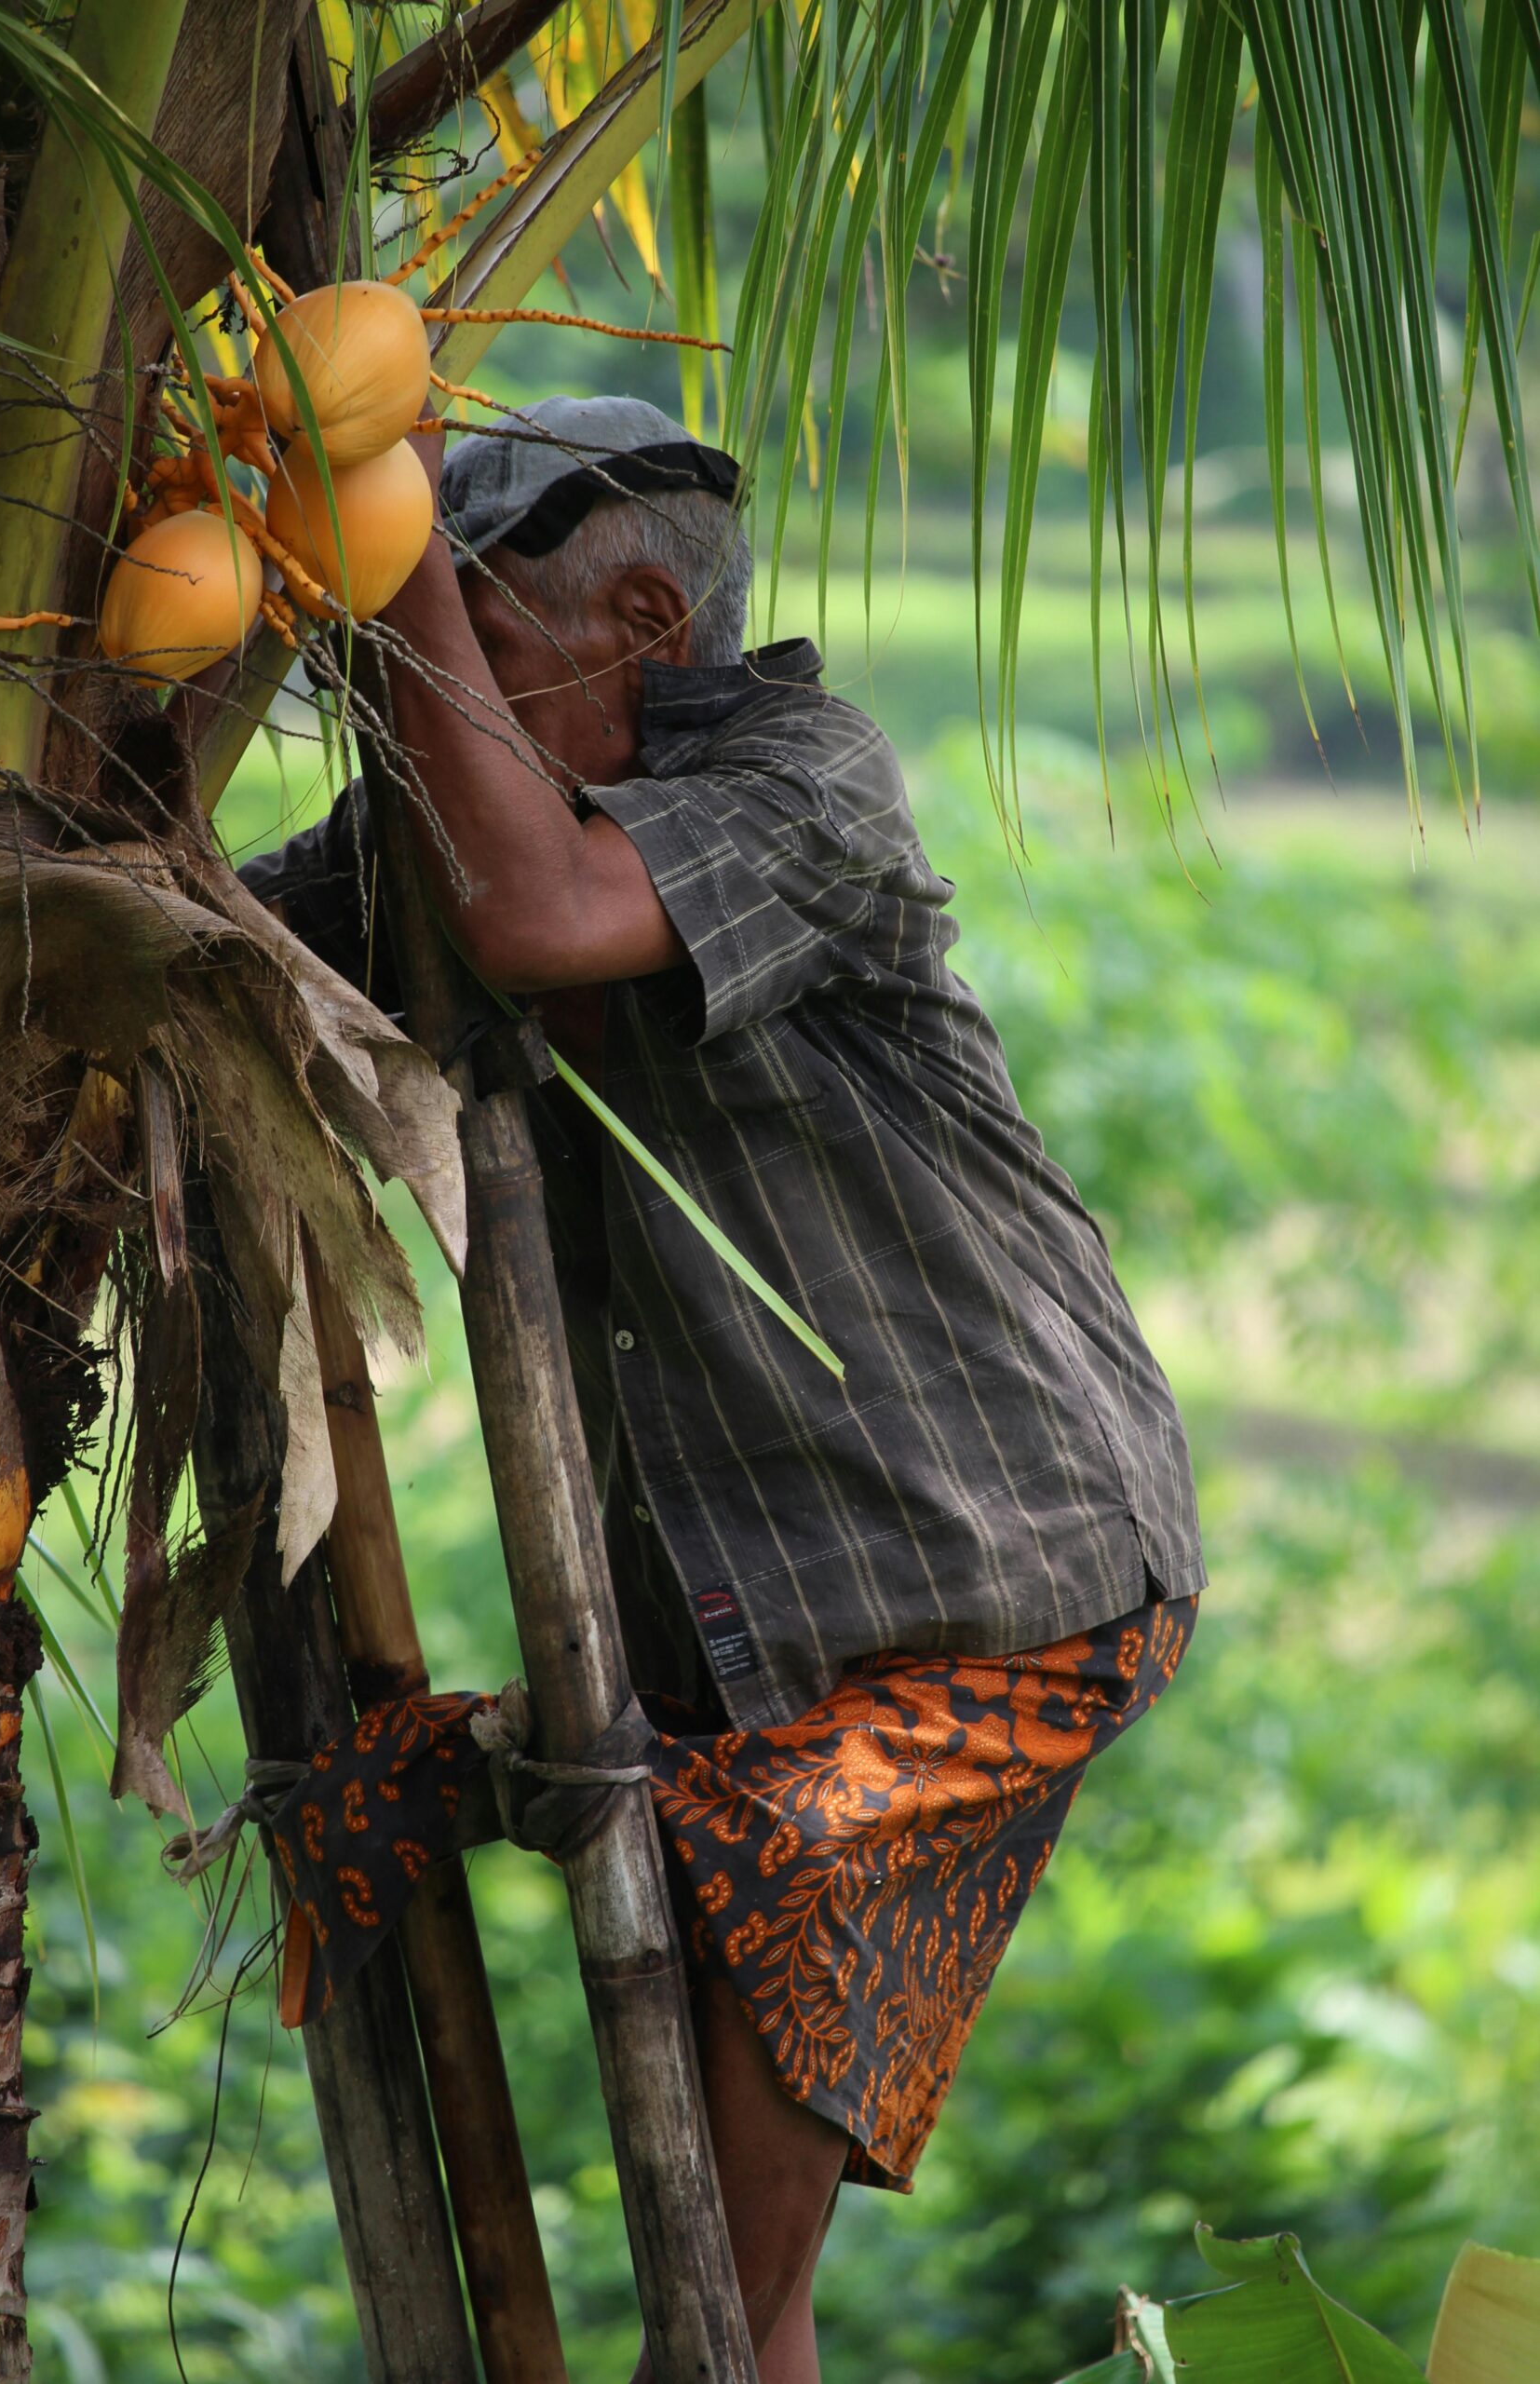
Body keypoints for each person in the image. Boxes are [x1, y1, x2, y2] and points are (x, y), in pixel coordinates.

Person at [241, 396, 1205, 2384]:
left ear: (642, 623)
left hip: (991, 1572)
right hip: (741, 1625)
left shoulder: (797, 770)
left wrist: (386, 529)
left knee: (731, 2200)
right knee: (734, 2266)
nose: (423, 702)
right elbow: (195, 937)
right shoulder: (432, 826)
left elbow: (542, 920)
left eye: (467, 644)